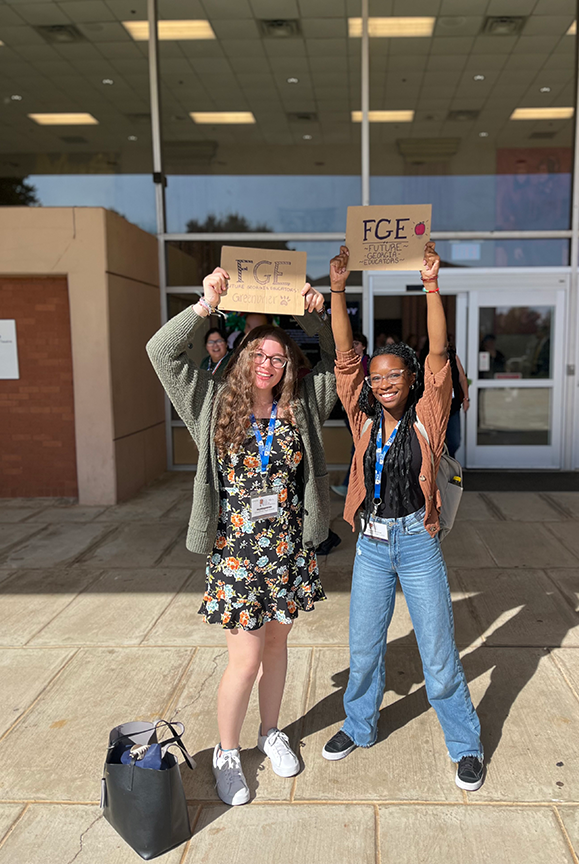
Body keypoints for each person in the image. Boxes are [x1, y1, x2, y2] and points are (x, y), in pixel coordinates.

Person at [146, 269, 337, 807]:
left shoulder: (301, 406)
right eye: (259, 355)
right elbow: (160, 352)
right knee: (244, 662)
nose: (269, 365)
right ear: (241, 358)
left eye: (279, 358)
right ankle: (226, 753)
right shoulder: (209, 403)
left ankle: (270, 732)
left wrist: (312, 313)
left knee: (277, 648)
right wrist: (206, 304)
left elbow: (342, 360)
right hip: (236, 554)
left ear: (289, 365)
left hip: (288, 551)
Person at [323, 242, 484, 791]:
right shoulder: (363, 417)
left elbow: (438, 351)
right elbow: (345, 356)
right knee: (364, 649)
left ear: (411, 380)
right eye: (376, 377)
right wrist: (338, 290)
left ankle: (465, 745)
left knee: (438, 657)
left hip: (417, 544)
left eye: (393, 374)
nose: (383, 381)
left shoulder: (428, 415)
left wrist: (431, 285)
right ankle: (359, 724)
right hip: (370, 547)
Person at [331, 332, 370, 499]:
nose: (353, 347)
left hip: (365, 411)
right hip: (350, 410)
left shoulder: (368, 363)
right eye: (351, 344)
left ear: (363, 346)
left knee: (359, 446)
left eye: (356, 344)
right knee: (358, 446)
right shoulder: (349, 364)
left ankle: (350, 485)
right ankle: (353, 485)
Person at [445, 344, 470, 458]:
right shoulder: (428, 358)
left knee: (455, 442)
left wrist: (466, 398)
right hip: (435, 407)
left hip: (452, 406)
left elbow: (462, 378)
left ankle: (450, 466)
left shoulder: (453, 357)